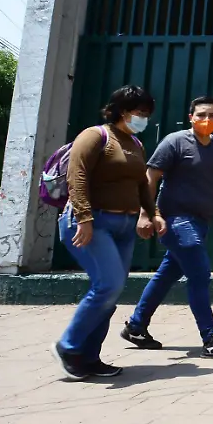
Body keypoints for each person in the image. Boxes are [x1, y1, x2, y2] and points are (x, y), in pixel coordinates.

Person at [121, 95, 213, 358]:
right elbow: (150, 177)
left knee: (167, 274)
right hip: (175, 219)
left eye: (212, 116)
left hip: (200, 222)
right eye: (201, 115)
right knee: (199, 274)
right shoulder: (175, 142)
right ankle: (211, 338)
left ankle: (136, 326)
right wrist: (145, 213)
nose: (206, 120)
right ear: (191, 117)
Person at [52, 85, 159, 381]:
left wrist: (153, 214)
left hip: (123, 226)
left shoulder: (136, 145)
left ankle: (89, 357)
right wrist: (84, 218)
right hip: (91, 222)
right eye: (140, 112)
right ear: (122, 111)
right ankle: (68, 346)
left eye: (147, 114)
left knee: (109, 291)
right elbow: (78, 176)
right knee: (108, 285)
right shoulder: (95, 136)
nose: (143, 118)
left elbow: (141, 185)